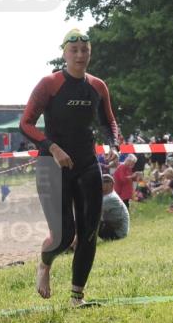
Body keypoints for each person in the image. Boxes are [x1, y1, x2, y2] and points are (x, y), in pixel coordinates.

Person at [21, 28, 120, 307]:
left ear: (90, 53)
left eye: (84, 51)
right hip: (51, 165)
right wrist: (52, 147)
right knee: (64, 235)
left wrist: (114, 145)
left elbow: (108, 122)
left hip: (87, 163)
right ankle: (44, 264)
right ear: (64, 53)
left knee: (89, 232)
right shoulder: (49, 84)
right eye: (74, 50)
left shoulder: (97, 86)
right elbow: (25, 123)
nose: (80, 55)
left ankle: (77, 298)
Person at [98, 175, 129, 240]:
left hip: (118, 234)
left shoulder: (110, 198)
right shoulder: (109, 195)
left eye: (103, 182)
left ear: (111, 184)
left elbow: (94, 211)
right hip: (118, 230)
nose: (100, 184)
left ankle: (80, 243)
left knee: (90, 221)